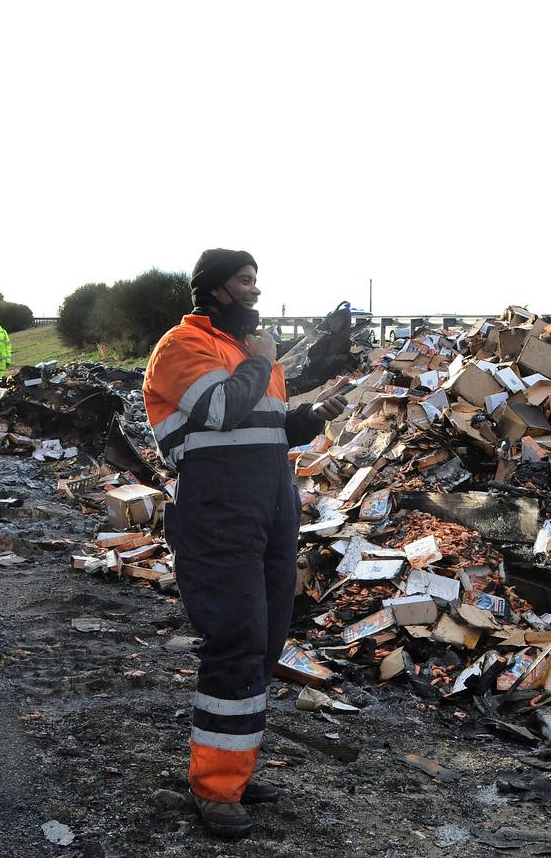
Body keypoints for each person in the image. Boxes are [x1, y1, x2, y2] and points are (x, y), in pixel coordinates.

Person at [142, 248, 348, 839]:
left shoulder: (249, 354)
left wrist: (305, 418)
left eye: (257, 279)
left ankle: (234, 767)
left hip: (272, 504)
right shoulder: (183, 347)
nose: (255, 290)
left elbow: (263, 425)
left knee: (264, 641)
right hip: (218, 512)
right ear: (214, 289)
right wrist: (260, 364)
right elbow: (220, 410)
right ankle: (215, 790)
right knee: (234, 638)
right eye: (244, 280)